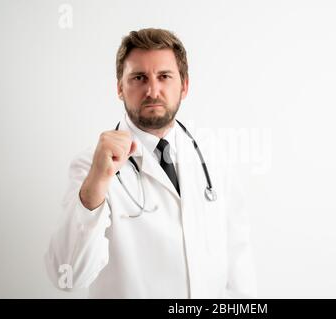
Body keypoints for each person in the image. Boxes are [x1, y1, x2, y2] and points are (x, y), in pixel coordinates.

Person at [44, 28, 257, 298]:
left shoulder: (212, 155)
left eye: (164, 77)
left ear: (185, 85)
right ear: (120, 87)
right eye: (139, 77)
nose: (152, 90)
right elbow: (68, 277)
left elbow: (238, 256)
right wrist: (97, 183)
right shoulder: (90, 167)